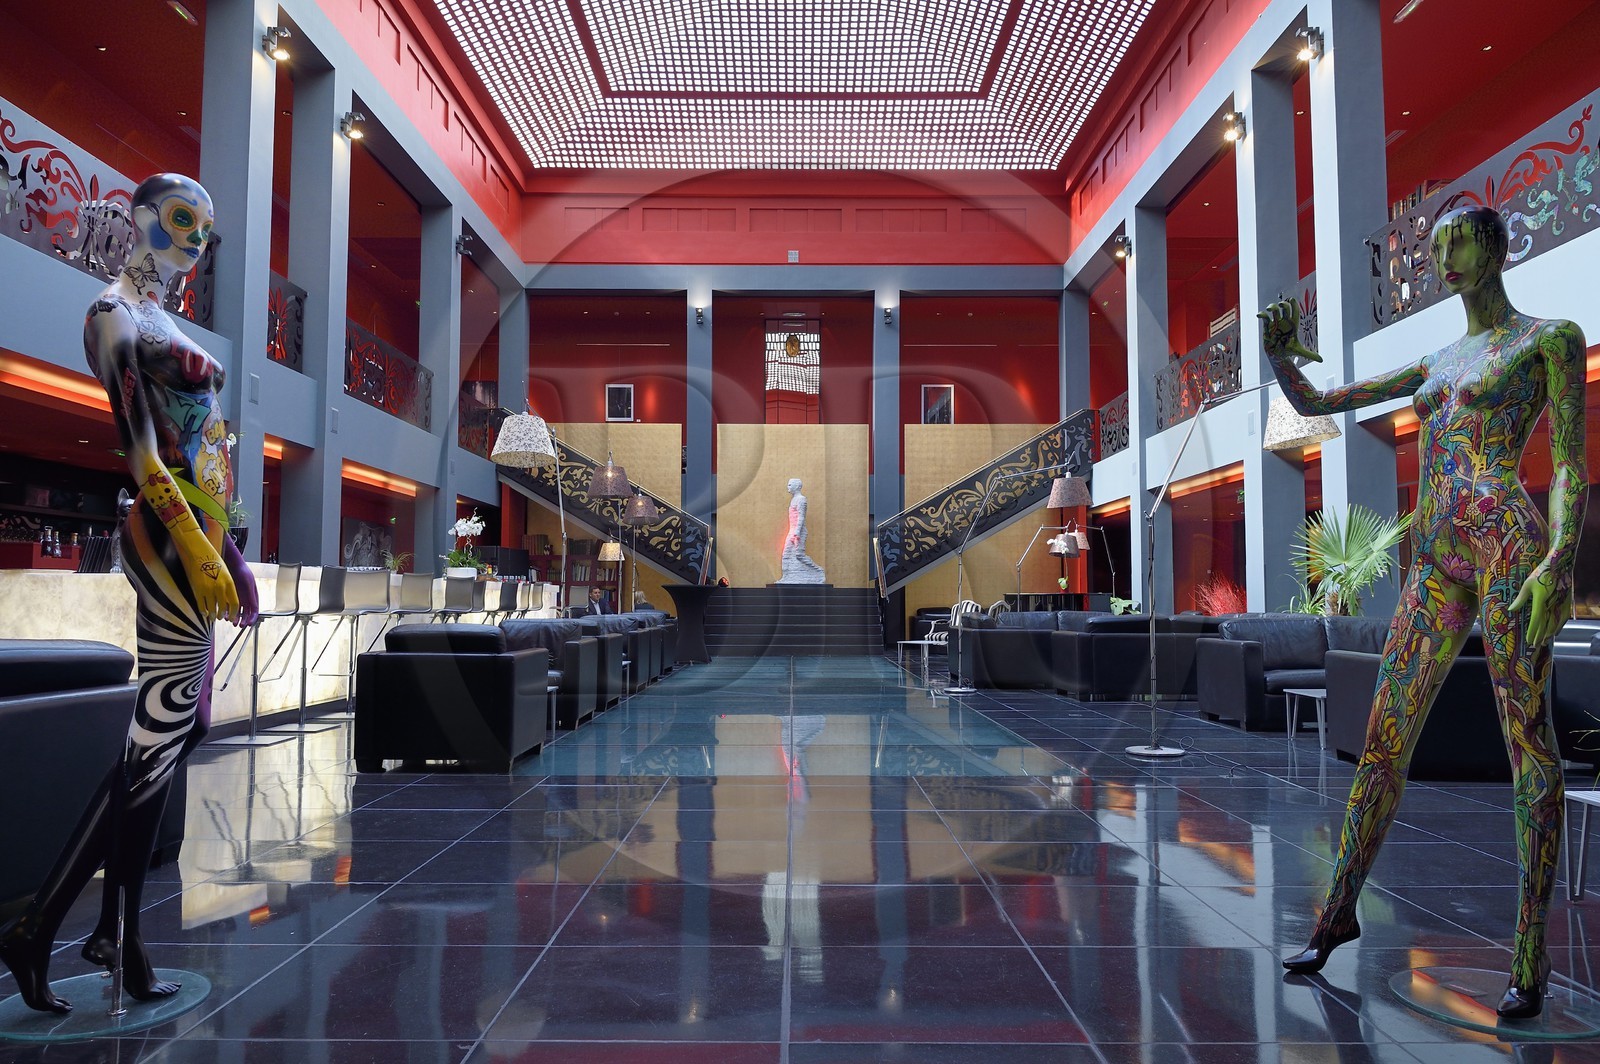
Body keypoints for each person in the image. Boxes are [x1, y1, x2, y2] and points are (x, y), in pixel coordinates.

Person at [1261, 204, 1586, 1018]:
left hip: (1509, 546)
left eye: (1458, 241)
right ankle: (1338, 916)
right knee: (1382, 741)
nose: (1443, 257)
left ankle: (1529, 954)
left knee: (1528, 745)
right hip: (1437, 557)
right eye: (1435, 246)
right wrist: (1276, 354)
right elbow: (1322, 395)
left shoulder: (1548, 339)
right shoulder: (1435, 361)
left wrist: (1561, 558)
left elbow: (1575, 467)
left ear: (1497, 246)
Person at [0, 174, 258, 1014]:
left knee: (174, 734)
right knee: (159, 737)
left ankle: (84, 931)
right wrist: (203, 552)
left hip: (205, 538)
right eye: (183, 223)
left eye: (204, 233)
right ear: (142, 220)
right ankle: (71, 930)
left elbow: (207, 440)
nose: (193, 243)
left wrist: (235, 552)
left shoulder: (167, 320)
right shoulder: (111, 313)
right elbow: (144, 458)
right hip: (165, 537)